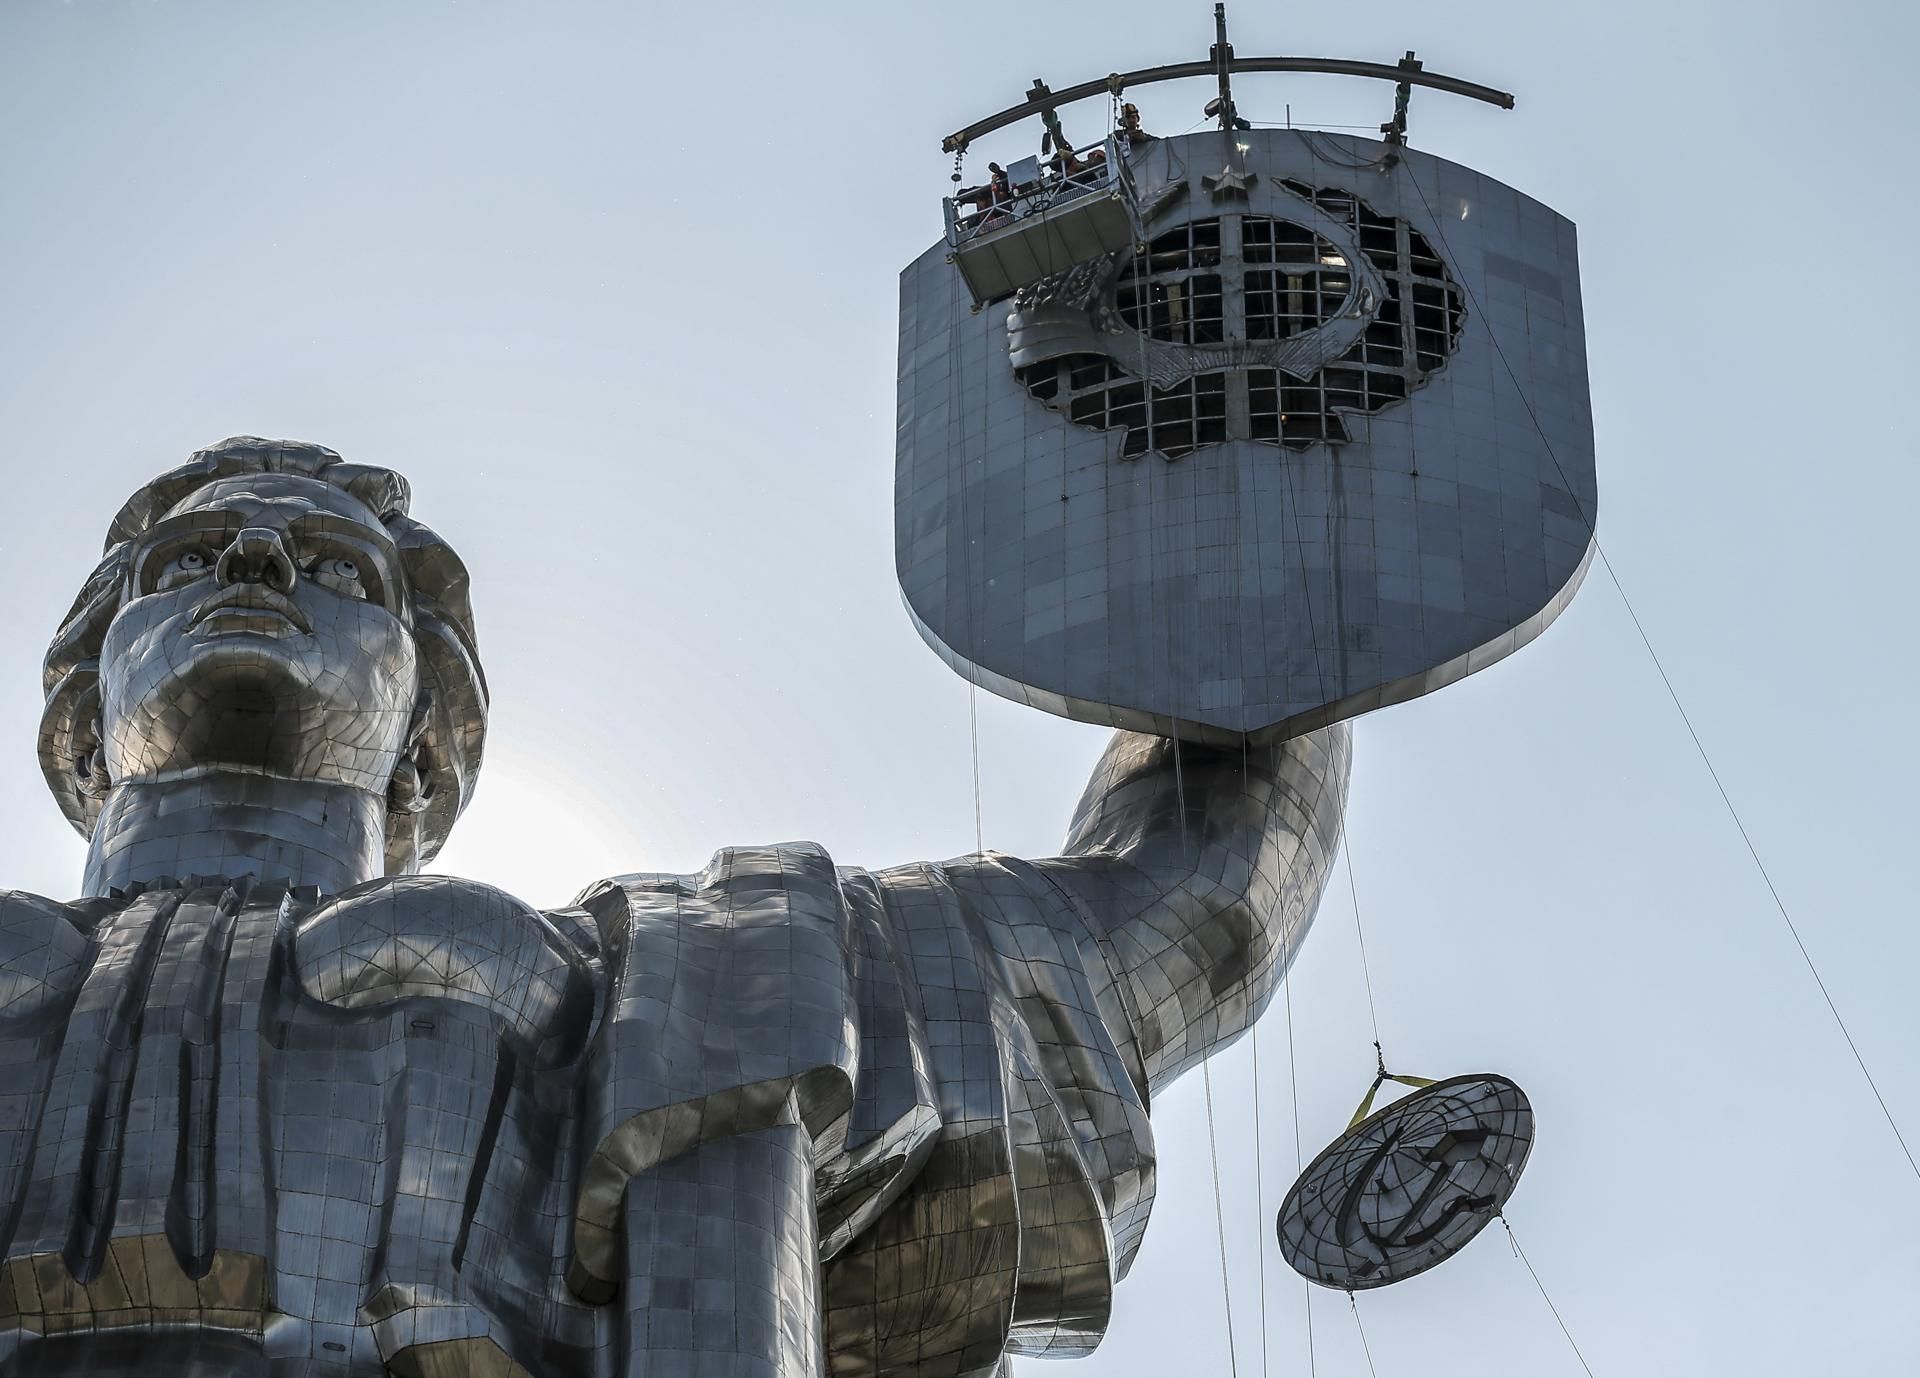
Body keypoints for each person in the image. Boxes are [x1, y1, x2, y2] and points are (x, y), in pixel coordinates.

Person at [6, 436, 1347, 1378]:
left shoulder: (679, 976)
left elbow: (1188, 912)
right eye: (179, 564)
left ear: (431, 731)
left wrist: (1275, 478)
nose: (247, 556)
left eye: (336, 567)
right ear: (80, 705)